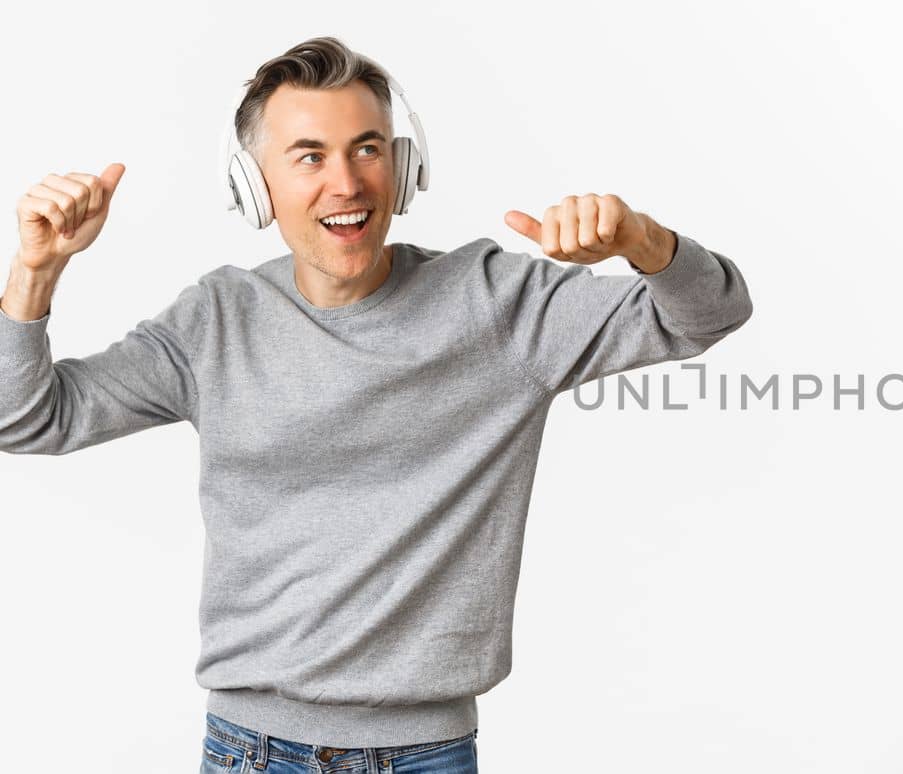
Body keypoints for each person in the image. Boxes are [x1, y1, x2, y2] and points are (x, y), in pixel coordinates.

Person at [0, 36, 753, 773]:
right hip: (252, 751)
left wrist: (641, 241)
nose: (348, 182)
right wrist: (35, 271)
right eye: (309, 156)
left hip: (428, 752)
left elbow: (710, 312)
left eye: (368, 148)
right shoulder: (215, 321)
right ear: (254, 185)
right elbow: (27, 417)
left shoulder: (499, 305)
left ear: (403, 166)